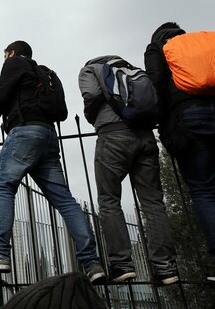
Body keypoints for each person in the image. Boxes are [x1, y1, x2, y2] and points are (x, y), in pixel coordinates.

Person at [0, 41, 106, 283]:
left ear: (11, 53)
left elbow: (0, 96)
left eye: (4, 55)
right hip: (47, 136)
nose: (4, 59)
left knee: (3, 187)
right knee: (65, 200)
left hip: (24, 133)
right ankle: (92, 263)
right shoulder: (45, 74)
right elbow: (57, 111)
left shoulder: (14, 63)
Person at [78, 55, 179, 284]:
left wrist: (92, 117)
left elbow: (92, 97)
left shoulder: (90, 70)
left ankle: (122, 265)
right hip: (145, 137)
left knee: (109, 200)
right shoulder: (131, 69)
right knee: (153, 202)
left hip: (113, 136)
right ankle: (166, 268)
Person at [145, 22, 215, 282]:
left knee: (203, 191)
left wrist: (161, 122)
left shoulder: (159, 48)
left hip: (189, 116)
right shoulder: (203, 44)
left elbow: (157, 87)